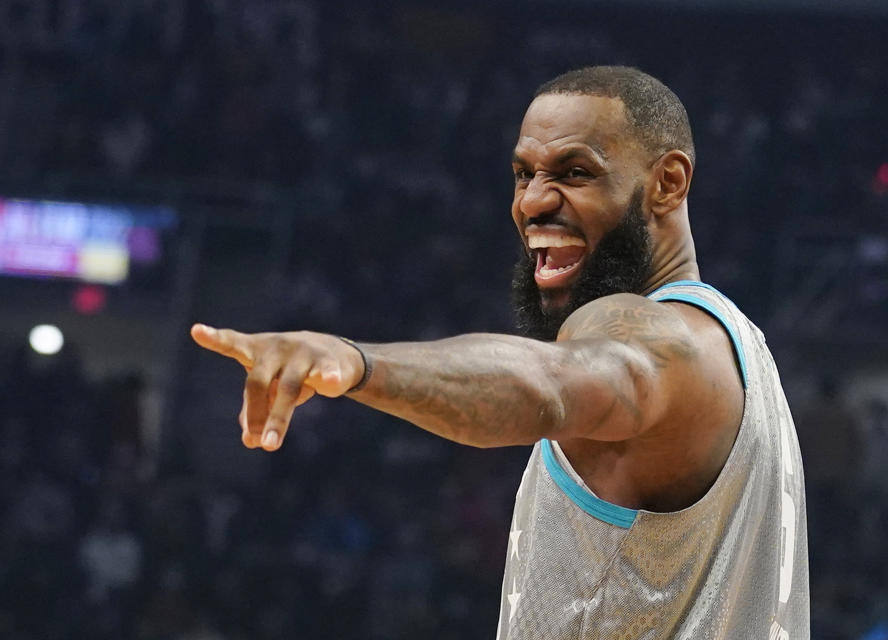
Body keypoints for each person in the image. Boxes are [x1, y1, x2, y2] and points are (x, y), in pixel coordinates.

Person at [191, 66, 808, 638]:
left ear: (667, 183)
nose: (533, 202)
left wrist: (358, 362)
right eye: (523, 174)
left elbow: (550, 384)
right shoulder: (741, 351)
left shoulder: (653, 335)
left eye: (574, 173)